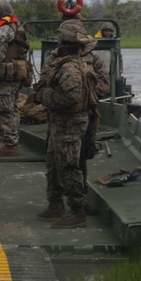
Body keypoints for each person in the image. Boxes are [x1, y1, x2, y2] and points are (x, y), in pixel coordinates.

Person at [37, 20, 100, 229]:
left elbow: (71, 97)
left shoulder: (71, 68)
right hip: (60, 123)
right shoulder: (63, 63)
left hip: (69, 124)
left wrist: (46, 96)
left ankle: (77, 212)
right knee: (54, 163)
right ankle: (56, 204)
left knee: (69, 167)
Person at [0, 0, 30, 157]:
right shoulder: (18, 27)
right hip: (16, 74)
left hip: (6, 76)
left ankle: (11, 145)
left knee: (5, 109)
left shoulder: (3, 31)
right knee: (13, 108)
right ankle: (11, 137)